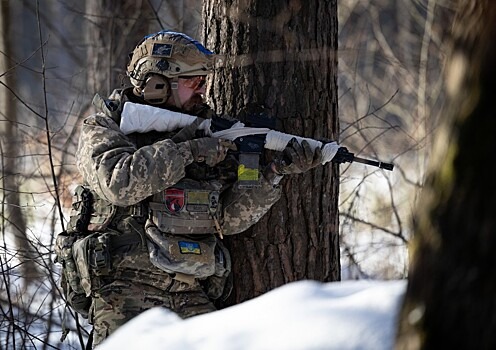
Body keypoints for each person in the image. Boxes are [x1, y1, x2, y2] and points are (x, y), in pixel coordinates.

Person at [72, 30, 325, 347]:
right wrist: (188, 150)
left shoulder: (210, 128)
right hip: (126, 294)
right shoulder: (106, 126)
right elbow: (118, 184)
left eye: (204, 82)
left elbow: (230, 218)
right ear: (157, 83)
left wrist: (273, 170)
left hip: (192, 292)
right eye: (195, 82)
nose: (203, 92)